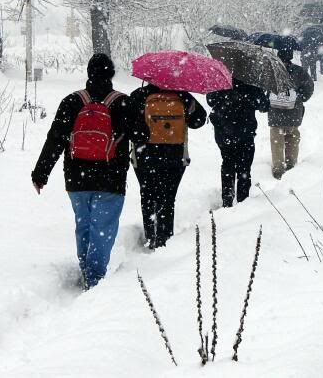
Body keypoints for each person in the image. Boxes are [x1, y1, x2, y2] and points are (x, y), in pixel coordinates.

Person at [31, 54, 132, 290]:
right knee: (103, 228)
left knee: (84, 224)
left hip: (77, 178)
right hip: (111, 178)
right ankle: (94, 279)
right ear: (111, 75)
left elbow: (55, 139)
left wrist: (40, 173)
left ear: (89, 73)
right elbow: (142, 137)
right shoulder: (123, 103)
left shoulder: (72, 101)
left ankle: (86, 269)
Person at [129, 84, 207, 248]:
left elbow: (127, 123)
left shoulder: (139, 95)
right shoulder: (182, 96)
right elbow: (199, 120)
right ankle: (164, 238)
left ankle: (151, 236)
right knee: (167, 197)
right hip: (174, 156)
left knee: (147, 195)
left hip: (145, 156)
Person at [207, 78, 270, 208]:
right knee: (244, 167)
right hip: (245, 134)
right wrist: (260, 93)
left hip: (224, 133)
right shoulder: (251, 85)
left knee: (227, 163)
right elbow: (264, 106)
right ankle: (243, 200)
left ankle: (227, 196)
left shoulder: (220, 82)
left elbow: (210, 100)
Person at [268, 47, 315, 180]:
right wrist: (299, 98)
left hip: (275, 114)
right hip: (293, 113)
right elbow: (309, 88)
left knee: (277, 141)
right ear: (290, 57)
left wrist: (268, 101)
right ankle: (291, 166)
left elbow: (265, 89)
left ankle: (278, 169)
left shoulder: (272, 71)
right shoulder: (299, 72)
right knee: (292, 138)